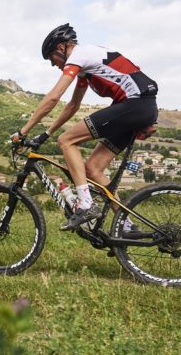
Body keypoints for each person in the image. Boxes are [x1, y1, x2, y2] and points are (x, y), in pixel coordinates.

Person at [11, 23, 158, 231]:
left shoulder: (79, 56)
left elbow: (53, 97)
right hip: (139, 108)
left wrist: (23, 131)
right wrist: (46, 133)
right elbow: (73, 105)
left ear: (61, 48)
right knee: (92, 169)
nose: (53, 64)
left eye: (52, 58)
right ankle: (127, 227)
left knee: (66, 140)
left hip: (135, 105)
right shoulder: (86, 67)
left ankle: (86, 204)